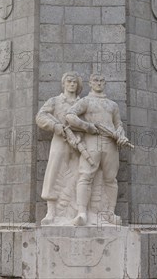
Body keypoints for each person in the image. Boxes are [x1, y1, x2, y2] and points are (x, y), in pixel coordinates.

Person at [66, 73, 130, 226]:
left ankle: (110, 212)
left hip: (110, 144)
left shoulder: (112, 105)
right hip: (92, 142)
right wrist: (87, 127)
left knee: (111, 179)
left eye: (102, 81)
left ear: (105, 83)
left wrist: (121, 135)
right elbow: (70, 116)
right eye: (96, 80)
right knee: (86, 176)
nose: (99, 83)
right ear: (90, 83)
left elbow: (118, 124)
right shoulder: (86, 101)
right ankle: (82, 213)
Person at [36, 71, 83, 225]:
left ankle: (76, 211)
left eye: (74, 82)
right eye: (69, 81)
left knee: (79, 174)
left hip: (78, 142)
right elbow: (41, 116)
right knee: (53, 173)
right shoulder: (55, 101)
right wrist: (55, 125)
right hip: (60, 140)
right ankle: (51, 212)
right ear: (63, 84)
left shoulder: (83, 102)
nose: (71, 84)